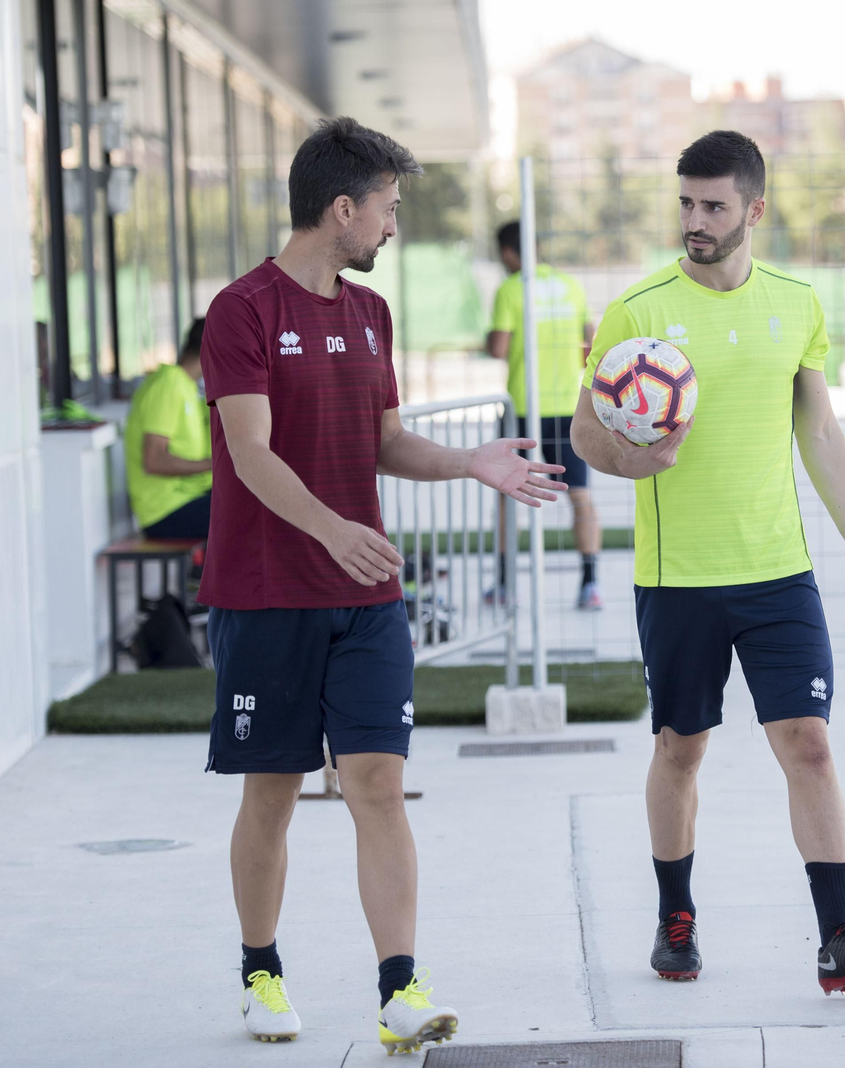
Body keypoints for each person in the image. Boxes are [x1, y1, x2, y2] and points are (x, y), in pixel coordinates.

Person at [197, 117, 566, 1051]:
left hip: (366, 602)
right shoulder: (242, 311)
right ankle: (261, 974)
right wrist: (333, 528)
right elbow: (250, 452)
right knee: (272, 795)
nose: (394, 228)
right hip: (267, 596)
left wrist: (469, 464)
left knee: (377, 784)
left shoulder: (371, 315)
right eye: (389, 209)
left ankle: (400, 989)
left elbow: (385, 441)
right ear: (342, 208)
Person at [568, 130, 845, 997]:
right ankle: (675, 918)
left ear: (754, 210)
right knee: (681, 749)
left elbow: (819, 430)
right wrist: (631, 461)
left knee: (809, 745)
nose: (695, 220)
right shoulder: (638, 311)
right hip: (678, 577)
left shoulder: (796, 303)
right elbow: (586, 432)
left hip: (777, 574)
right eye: (685, 203)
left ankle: (839, 934)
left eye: (714, 206)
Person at [487, 221, 603, 608]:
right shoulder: (570, 286)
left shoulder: (510, 288)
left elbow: (499, 348)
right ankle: (590, 584)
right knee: (581, 496)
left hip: (522, 406)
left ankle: (504, 586)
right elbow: (590, 345)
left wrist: (488, 340)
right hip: (566, 405)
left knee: (507, 495)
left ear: (507, 252)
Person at [124, 318, 213, 538]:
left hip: (189, 498)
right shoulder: (168, 384)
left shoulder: (187, 387)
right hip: (166, 511)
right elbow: (154, 459)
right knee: (255, 512)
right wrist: (216, 465)